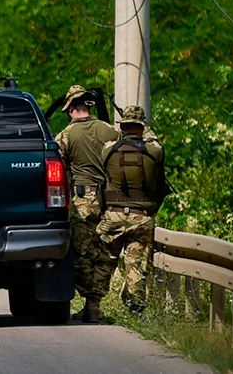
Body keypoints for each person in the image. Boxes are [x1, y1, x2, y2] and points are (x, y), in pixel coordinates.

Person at [54, 85, 119, 324]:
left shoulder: (66, 135)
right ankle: (94, 305)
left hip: (82, 201)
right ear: (88, 107)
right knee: (103, 253)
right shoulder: (110, 131)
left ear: (71, 109)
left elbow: (56, 170)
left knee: (80, 253)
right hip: (110, 200)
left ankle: (89, 303)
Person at [95, 105, 167, 314]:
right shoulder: (154, 151)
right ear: (142, 126)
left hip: (113, 216)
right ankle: (135, 308)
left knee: (102, 262)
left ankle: (93, 306)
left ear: (124, 126)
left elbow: (114, 142)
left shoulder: (109, 149)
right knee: (136, 266)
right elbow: (154, 143)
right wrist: (145, 130)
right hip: (141, 218)